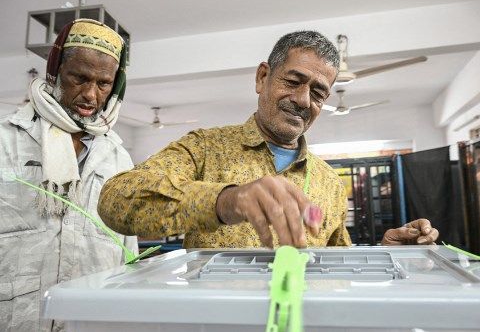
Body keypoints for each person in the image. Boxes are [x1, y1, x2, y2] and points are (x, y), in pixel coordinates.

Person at [98, 30, 438, 249]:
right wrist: (228, 200)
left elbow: (337, 264)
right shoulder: (204, 149)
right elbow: (117, 202)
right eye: (293, 81)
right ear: (263, 77)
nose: (304, 100)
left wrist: (384, 254)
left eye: (319, 93)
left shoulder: (328, 183)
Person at [0, 19, 137, 332]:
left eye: (104, 84)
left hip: (89, 319)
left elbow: (127, 251)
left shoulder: (117, 157)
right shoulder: (6, 139)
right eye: (79, 77)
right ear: (56, 70)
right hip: (18, 318)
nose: (90, 94)